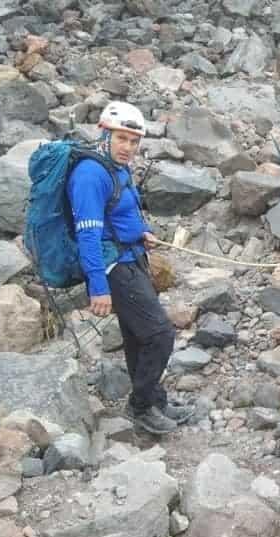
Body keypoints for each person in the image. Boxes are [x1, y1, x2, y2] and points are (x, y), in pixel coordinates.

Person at [69, 101, 193, 434]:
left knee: (139, 335)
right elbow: (88, 233)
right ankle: (140, 407)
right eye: (121, 138)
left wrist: (141, 234)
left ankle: (154, 402)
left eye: (134, 141)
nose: (128, 147)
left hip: (131, 255)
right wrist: (98, 286)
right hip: (113, 267)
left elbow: (118, 215)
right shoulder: (90, 174)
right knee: (160, 334)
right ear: (104, 133)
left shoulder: (115, 167)